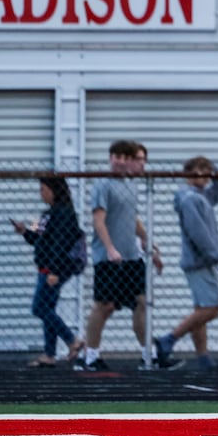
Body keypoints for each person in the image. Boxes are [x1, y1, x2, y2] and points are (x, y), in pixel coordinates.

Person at [77, 139, 165, 371]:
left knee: (141, 303)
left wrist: (147, 242)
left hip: (131, 257)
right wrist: (109, 248)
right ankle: (90, 357)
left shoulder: (131, 185)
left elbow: (132, 218)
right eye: (116, 157)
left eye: (126, 158)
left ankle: (150, 354)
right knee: (104, 306)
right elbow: (99, 220)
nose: (120, 162)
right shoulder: (103, 185)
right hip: (109, 258)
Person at [153, 156, 218, 372]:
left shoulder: (203, 196)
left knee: (201, 309)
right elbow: (198, 232)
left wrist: (214, 170)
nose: (204, 175)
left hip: (202, 261)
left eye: (207, 171)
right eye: (199, 171)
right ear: (188, 173)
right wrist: (216, 256)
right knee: (212, 308)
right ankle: (168, 339)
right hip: (200, 261)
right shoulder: (190, 199)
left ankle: (204, 358)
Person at [10, 176, 85, 367]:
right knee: (48, 309)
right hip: (47, 267)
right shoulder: (48, 214)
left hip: (54, 268)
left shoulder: (63, 213)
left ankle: (72, 340)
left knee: (39, 308)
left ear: (53, 190)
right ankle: (50, 354)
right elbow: (39, 239)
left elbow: (60, 244)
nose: (40, 193)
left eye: (43, 189)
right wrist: (24, 231)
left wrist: (54, 270)